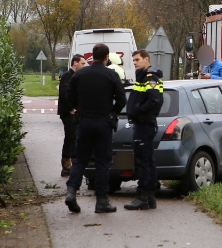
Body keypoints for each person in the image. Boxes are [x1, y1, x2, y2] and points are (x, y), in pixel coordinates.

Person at [64, 43, 127, 214]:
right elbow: (122, 99)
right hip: (103, 123)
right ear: (107, 57)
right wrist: (113, 111)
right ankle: (101, 201)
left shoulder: (80, 74)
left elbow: (68, 95)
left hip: (84, 122)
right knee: (102, 161)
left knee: (80, 159)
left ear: (92, 56)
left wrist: (79, 107)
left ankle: (71, 191)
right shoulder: (111, 75)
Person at [123, 50, 164, 211]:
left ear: (147, 59)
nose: (134, 62)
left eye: (137, 60)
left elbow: (155, 100)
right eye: (133, 60)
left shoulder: (150, 77)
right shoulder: (143, 76)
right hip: (143, 123)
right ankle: (150, 198)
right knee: (147, 160)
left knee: (142, 161)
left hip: (144, 124)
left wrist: (138, 111)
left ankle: (143, 197)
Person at [58, 54, 85, 176]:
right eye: (82, 63)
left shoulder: (78, 76)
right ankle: (66, 165)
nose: (84, 65)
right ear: (75, 63)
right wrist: (71, 108)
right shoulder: (67, 76)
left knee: (75, 137)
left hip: (76, 111)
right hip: (68, 112)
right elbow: (65, 94)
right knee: (70, 137)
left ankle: (74, 163)